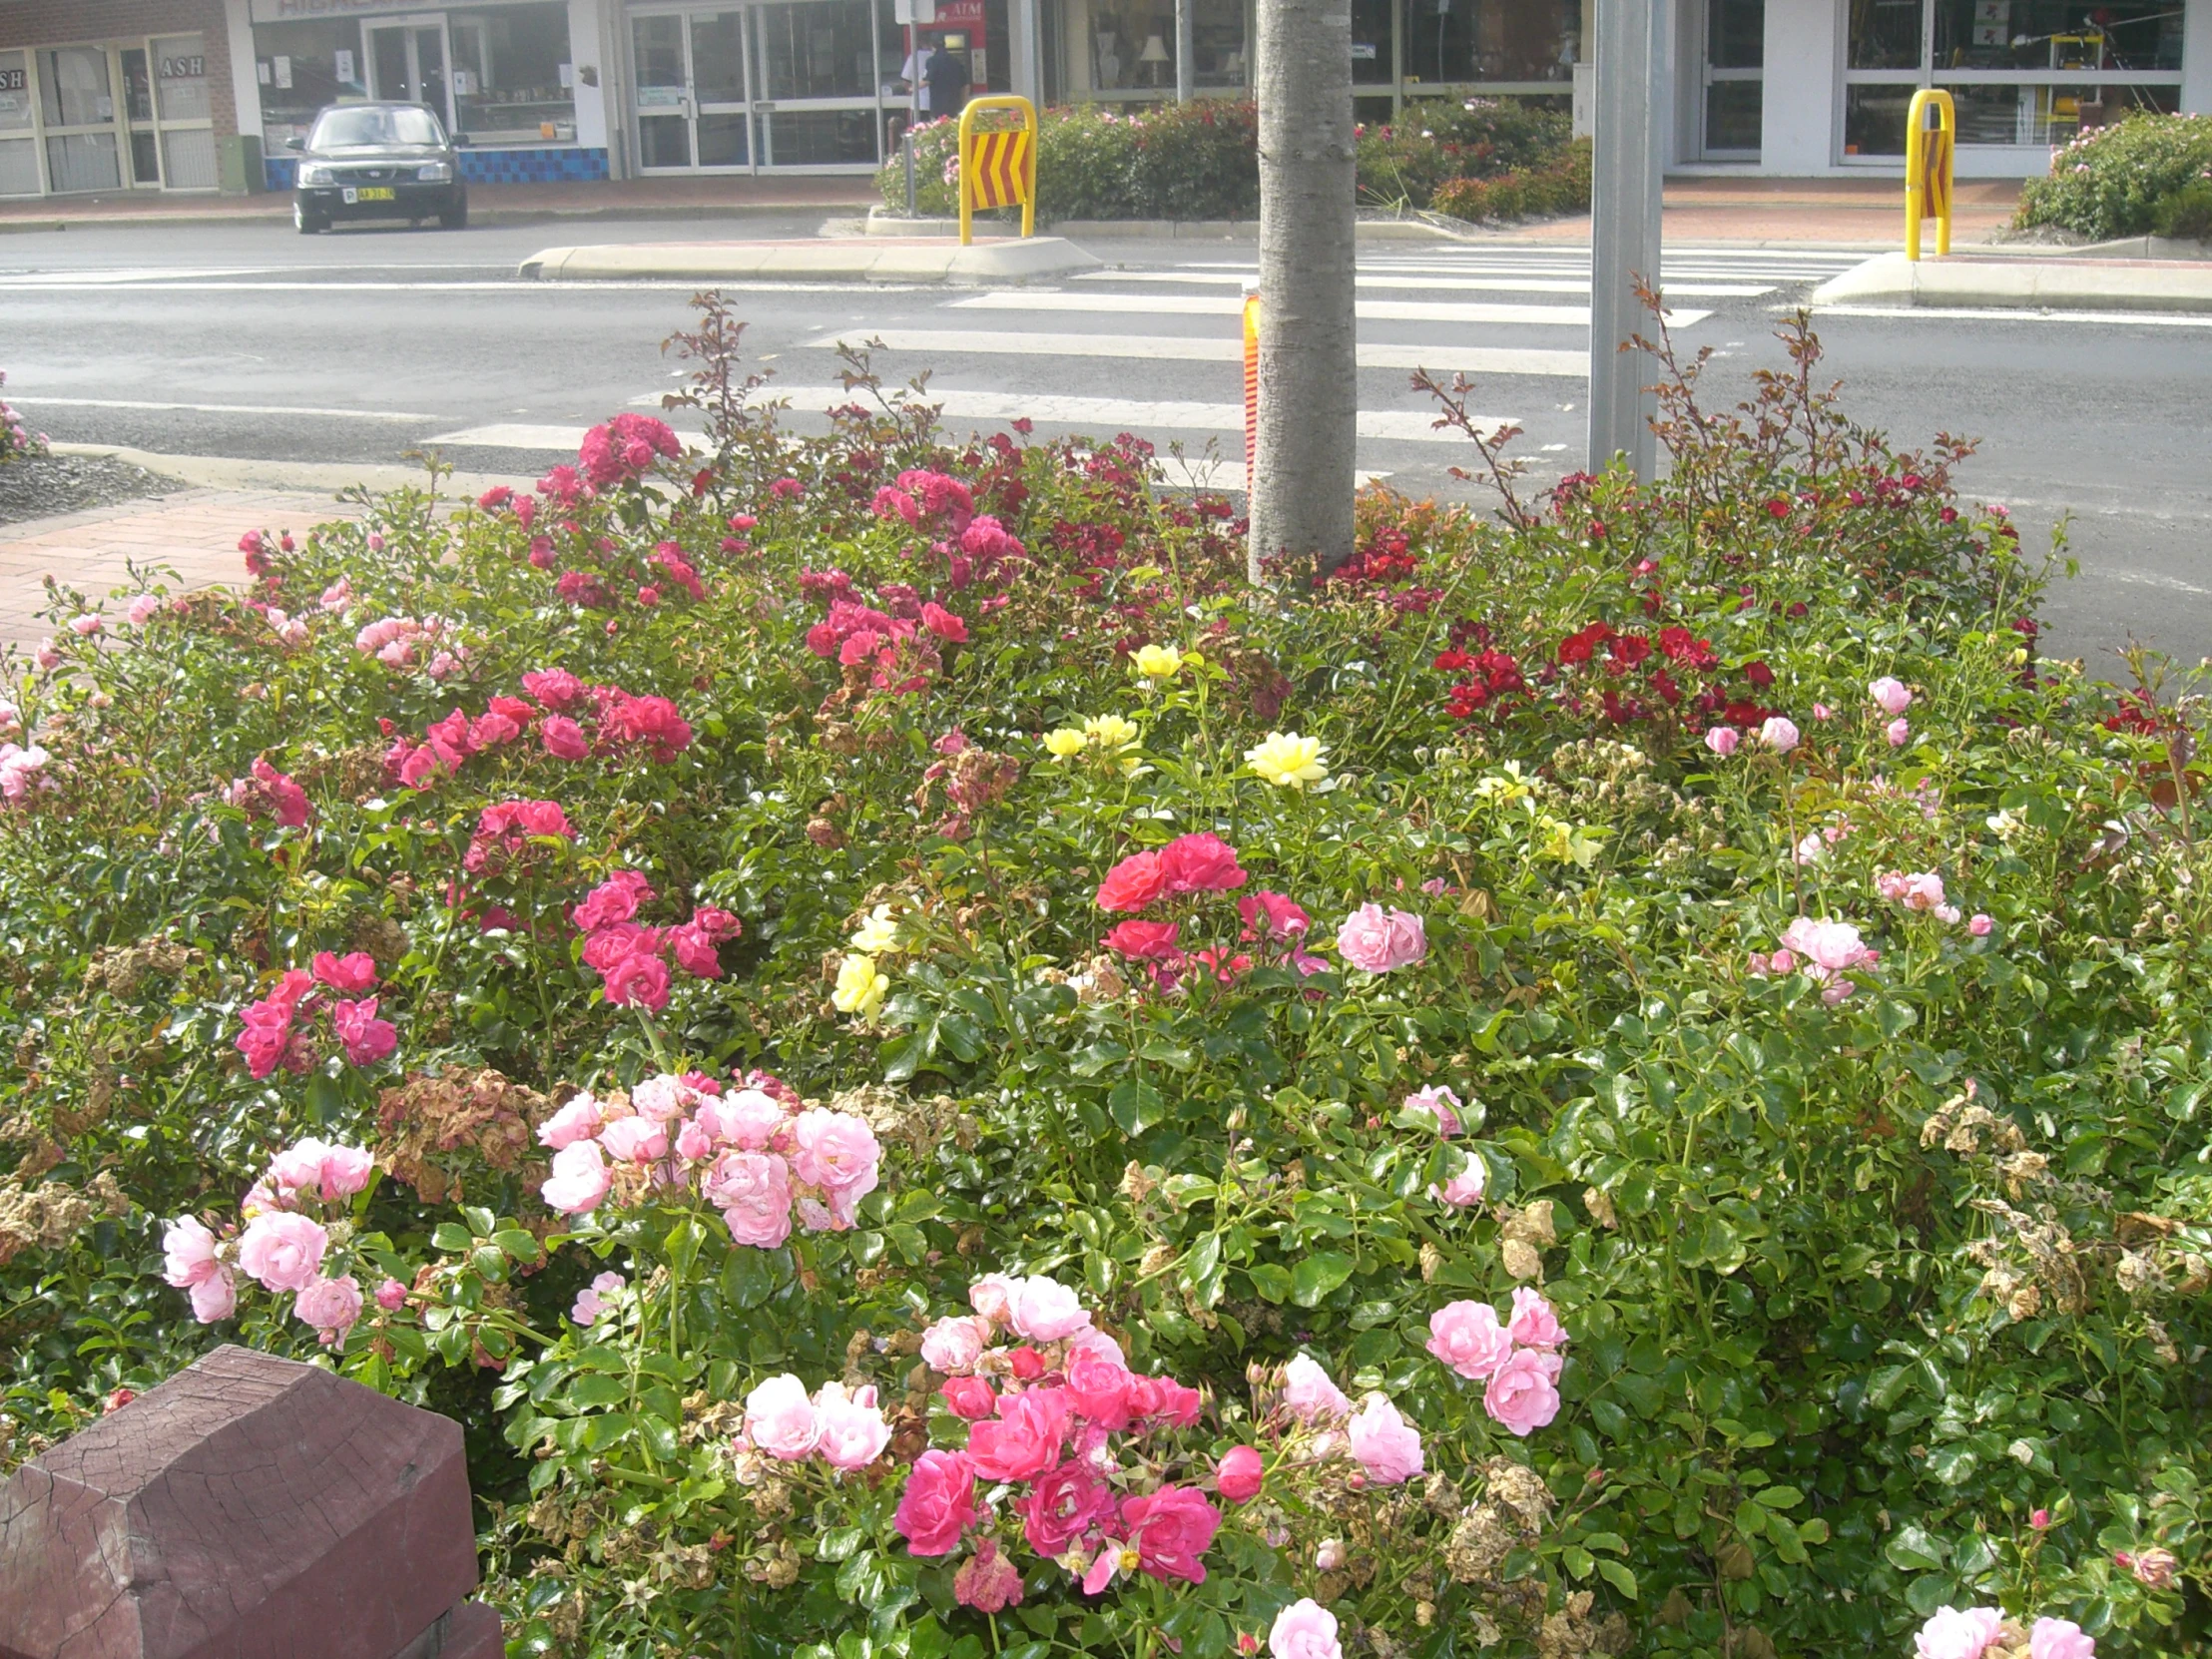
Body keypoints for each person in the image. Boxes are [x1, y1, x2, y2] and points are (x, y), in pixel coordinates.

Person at [925, 36, 970, 121]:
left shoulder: (932, 61)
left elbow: (927, 80)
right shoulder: (956, 60)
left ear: (932, 46)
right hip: (954, 105)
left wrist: (912, 88)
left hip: (937, 107)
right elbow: (966, 85)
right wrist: (964, 105)